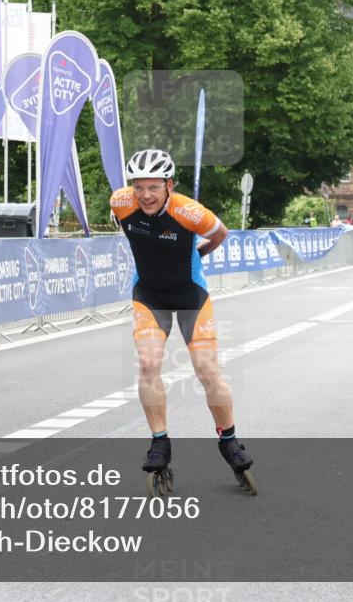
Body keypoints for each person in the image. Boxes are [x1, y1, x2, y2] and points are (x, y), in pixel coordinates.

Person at [110, 149, 255, 490]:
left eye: (154, 187)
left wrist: (197, 255)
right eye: (139, 186)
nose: (145, 195)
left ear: (169, 185)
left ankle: (229, 441)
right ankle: (159, 442)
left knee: (206, 369)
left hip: (190, 293)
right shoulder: (120, 202)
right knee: (148, 363)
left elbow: (221, 234)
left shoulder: (190, 212)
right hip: (149, 294)